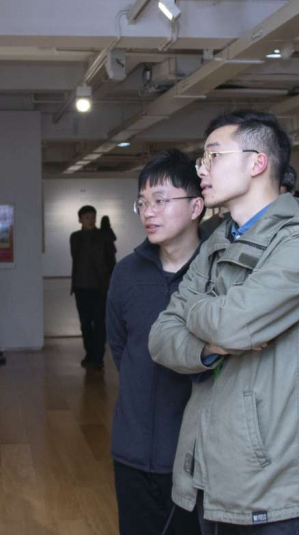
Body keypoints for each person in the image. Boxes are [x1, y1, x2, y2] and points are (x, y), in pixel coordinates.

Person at [149, 110, 299, 534]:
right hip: (211, 471)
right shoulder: (217, 240)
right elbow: (161, 336)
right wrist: (208, 346)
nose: (202, 170)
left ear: (257, 162)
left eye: (213, 156)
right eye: (202, 159)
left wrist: (198, 310)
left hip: (273, 485)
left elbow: (232, 326)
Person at [106, 150, 206, 535]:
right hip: (132, 451)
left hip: (199, 458)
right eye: (143, 203)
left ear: (196, 206)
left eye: (160, 200)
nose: (148, 212)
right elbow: (121, 347)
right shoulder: (126, 273)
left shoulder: (218, 273)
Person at [70, 205, 113, 369]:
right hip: (81, 287)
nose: (91, 220)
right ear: (80, 219)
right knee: (85, 324)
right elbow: (77, 256)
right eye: (87, 217)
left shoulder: (103, 236)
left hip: (99, 287)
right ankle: (89, 354)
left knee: (99, 323)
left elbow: (110, 261)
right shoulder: (75, 237)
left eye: (93, 217)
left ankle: (97, 358)